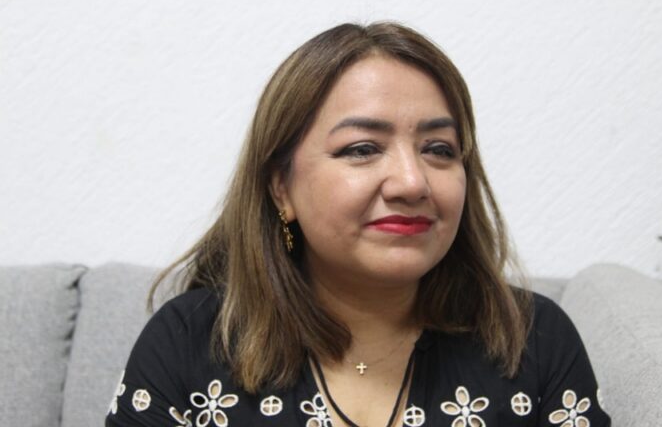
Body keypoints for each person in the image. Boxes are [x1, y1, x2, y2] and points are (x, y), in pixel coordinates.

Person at [106, 22, 611, 427]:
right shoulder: (188, 341)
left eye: (439, 149)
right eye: (362, 149)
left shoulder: (534, 339)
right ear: (282, 188)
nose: (412, 182)